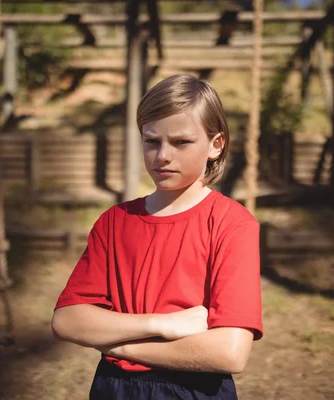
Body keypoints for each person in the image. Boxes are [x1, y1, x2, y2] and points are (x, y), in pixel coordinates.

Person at [52, 74, 263, 399]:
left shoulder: (232, 223)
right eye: (152, 141)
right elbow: (67, 321)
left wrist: (117, 344)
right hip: (113, 388)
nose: (162, 155)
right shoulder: (114, 221)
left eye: (181, 142)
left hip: (195, 390)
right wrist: (161, 325)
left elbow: (229, 353)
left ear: (215, 145)